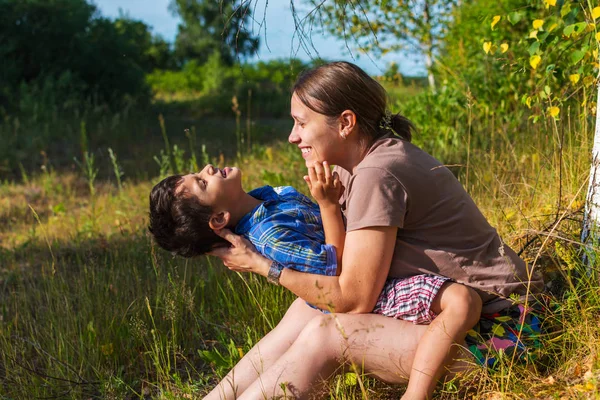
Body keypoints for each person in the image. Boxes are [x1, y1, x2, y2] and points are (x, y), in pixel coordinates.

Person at [198, 61, 545, 400]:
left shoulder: (376, 174)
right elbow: (339, 270)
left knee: (328, 334)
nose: (292, 136)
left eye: (301, 123)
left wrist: (265, 267)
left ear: (346, 122)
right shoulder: (358, 165)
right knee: (307, 309)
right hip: (476, 317)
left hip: (505, 328)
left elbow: (354, 299)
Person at [148, 163, 483, 397]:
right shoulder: (270, 232)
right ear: (219, 218)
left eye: (198, 175)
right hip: (365, 284)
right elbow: (334, 273)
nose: (207, 169)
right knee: (308, 315)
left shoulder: (266, 199)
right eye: (202, 182)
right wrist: (327, 206)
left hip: (365, 276)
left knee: (306, 315)